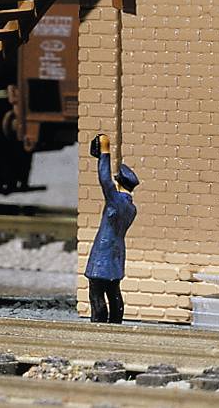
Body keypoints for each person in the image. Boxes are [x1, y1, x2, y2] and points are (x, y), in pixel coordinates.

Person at [83, 133, 139, 322]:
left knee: (96, 294)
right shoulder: (131, 208)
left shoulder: (116, 201)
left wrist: (104, 151)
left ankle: (99, 327)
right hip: (117, 255)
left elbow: (104, 180)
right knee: (114, 292)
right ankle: (116, 324)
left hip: (103, 254)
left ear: (119, 182)